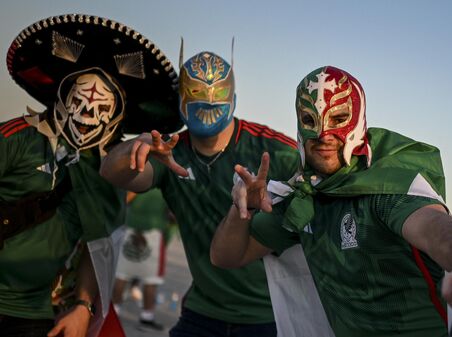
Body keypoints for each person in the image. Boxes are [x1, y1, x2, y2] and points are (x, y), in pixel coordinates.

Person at [210, 66, 452, 337]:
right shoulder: (303, 199)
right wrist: (239, 209)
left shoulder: (383, 186)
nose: (323, 134)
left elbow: (434, 225)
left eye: (338, 119)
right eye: (311, 120)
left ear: (358, 122)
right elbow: (226, 257)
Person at [0, 13, 180, 337]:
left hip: (38, 314)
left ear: (116, 117)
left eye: (98, 109)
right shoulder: (17, 138)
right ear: (63, 96)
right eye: (80, 102)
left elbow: (98, 244)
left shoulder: (105, 167)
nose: (85, 117)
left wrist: (83, 306)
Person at [100, 51, 301, 337]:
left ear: (232, 97)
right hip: (203, 310)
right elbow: (112, 172)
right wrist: (137, 146)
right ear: (181, 97)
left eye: (218, 91)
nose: (208, 100)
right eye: (196, 91)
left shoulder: (274, 150)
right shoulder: (170, 151)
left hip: (271, 313)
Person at [112, 189, 173, 332]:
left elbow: (124, 199)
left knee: (123, 274)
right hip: (151, 232)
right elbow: (173, 212)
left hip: (134, 229)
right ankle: (146, 316)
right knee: (150, 279)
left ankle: (115, 311)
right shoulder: (166, 180)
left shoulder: (139, 178)